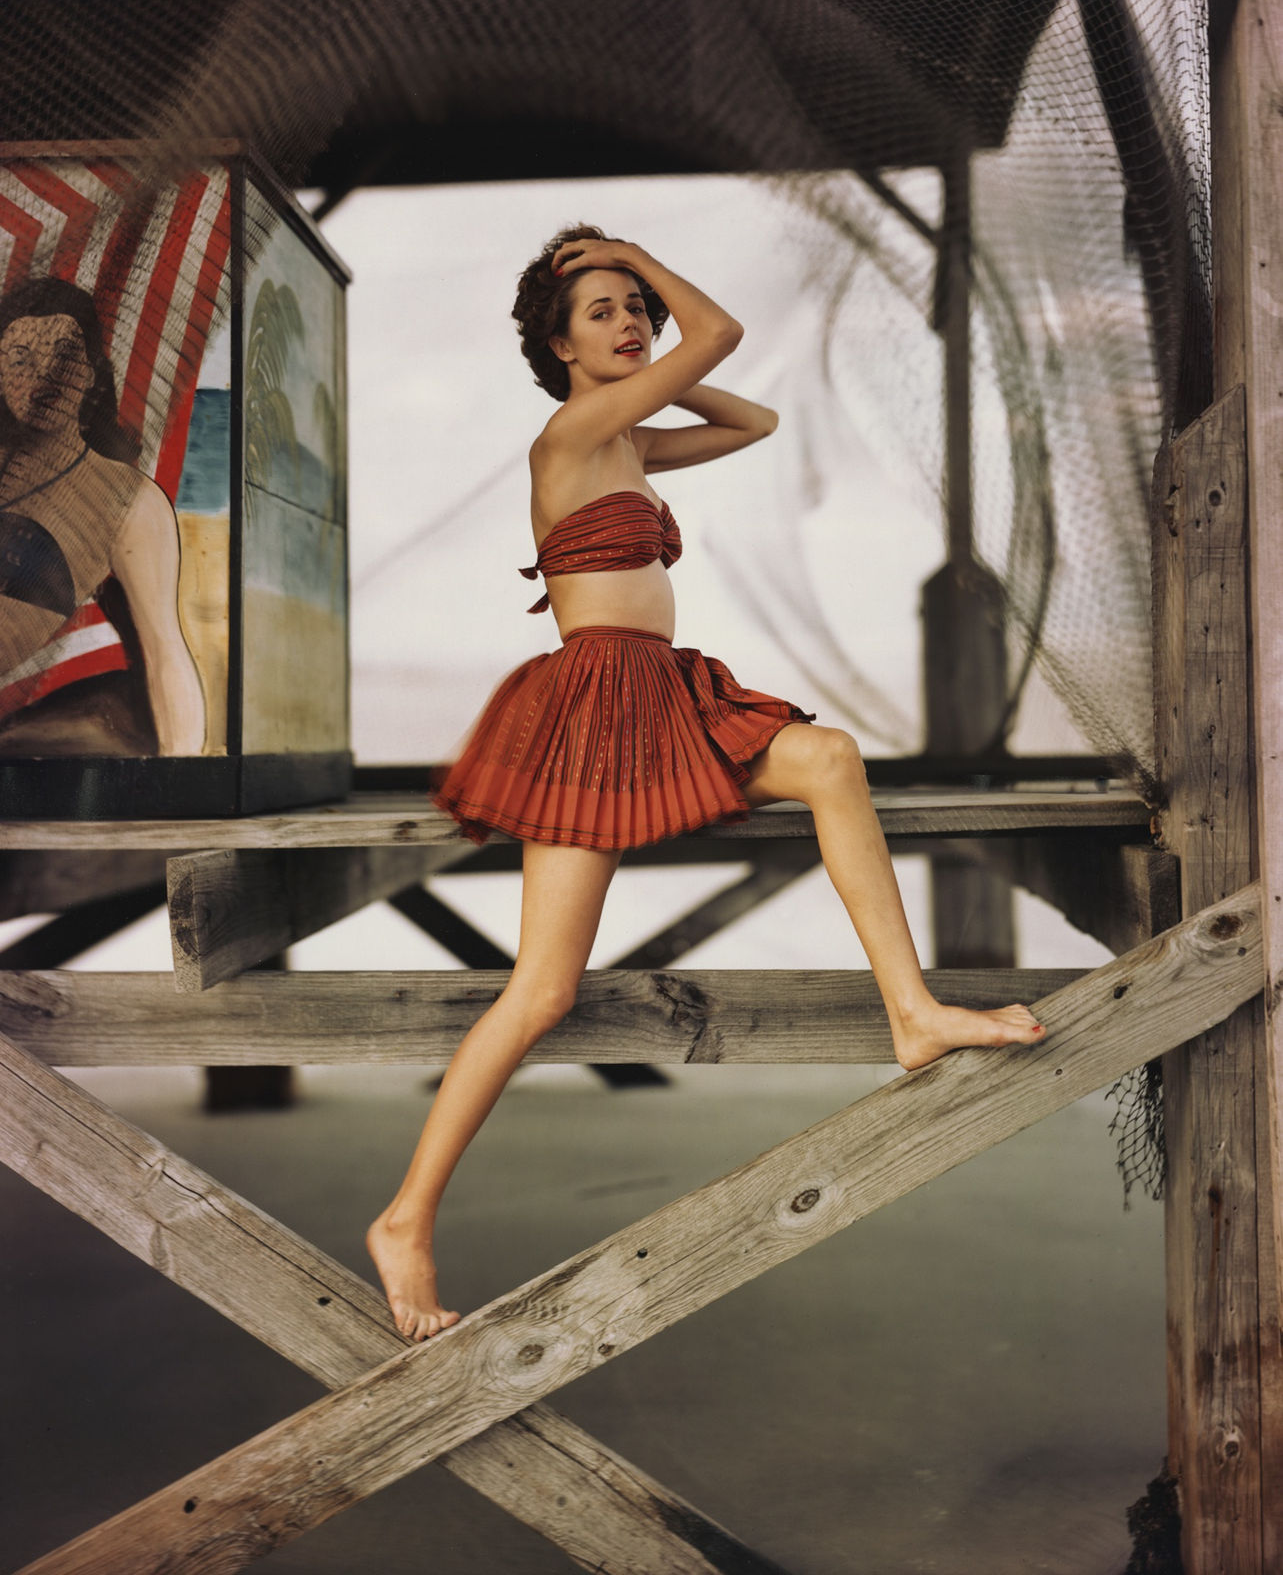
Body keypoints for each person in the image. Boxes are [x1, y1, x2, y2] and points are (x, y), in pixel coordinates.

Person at [366, 227, 1046, 1343]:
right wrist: (636, 256)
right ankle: (404, 1215)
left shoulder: (625, 435)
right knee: (541, 992)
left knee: (827, 759)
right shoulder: (573, 431)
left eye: (637, 303)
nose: (633, 320)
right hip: (591, 705)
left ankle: (911, 1012)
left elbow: (753, 419)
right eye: (603, 310)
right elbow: (720, 333)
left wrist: (643, 341)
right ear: (555, 343)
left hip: (661, 689)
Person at [0, 276, 205, 755]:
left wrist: (181, 793)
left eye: (64, 357)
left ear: (92, 371)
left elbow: (162, 651)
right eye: (19, 359)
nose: (43, 378)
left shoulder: (125, 498)